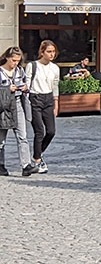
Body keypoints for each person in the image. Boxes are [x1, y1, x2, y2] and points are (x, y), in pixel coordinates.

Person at [0, 46, 38, 176]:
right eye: (13, 60)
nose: (15, 63)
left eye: (17, 61)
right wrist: (6, 89)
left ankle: (26, 165)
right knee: (1, 140)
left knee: (22, 136)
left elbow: (24, 85)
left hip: (17, 104)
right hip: (3, 107)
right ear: (7, 58)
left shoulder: (19, 71)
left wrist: (24, 87)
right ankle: (0, 165)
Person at [26, 40, 60, 174]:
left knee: (51, 131)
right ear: (42, 52)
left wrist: (56, 104)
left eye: (53, 51)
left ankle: (37, 155)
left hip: (48, 99)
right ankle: (38, 160)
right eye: (49, 51)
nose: (52, 54)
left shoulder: (55, 68)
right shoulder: (32, 66)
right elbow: (27, 83)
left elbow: (55, 86)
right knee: (39, 131)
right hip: (35, 98)